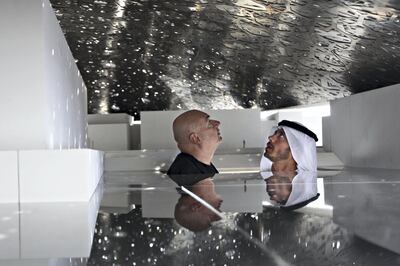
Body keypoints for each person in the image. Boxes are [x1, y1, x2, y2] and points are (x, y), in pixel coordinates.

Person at [167, 110, 222, 175]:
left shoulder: (197, 167)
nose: (217, 123)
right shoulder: (188, 173)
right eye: (209, 123)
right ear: (195, 138)